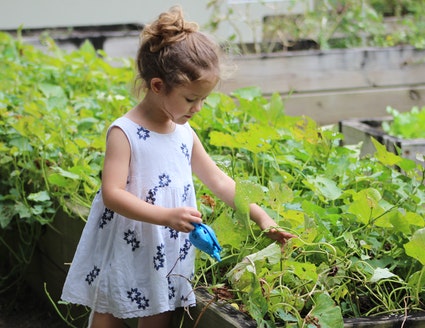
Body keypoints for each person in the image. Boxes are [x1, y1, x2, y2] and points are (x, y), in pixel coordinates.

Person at [61, 6, 295, 328]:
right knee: (110, 310)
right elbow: (112, 194)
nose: (197, 108)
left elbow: (220, 182)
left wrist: (262, 217)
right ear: (157, 86)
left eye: (203, 100)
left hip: (168, 248)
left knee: (160, 311)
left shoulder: (184, 134)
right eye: (190, 99)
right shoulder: (125, 133)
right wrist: (166, 216)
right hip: (130, 242)